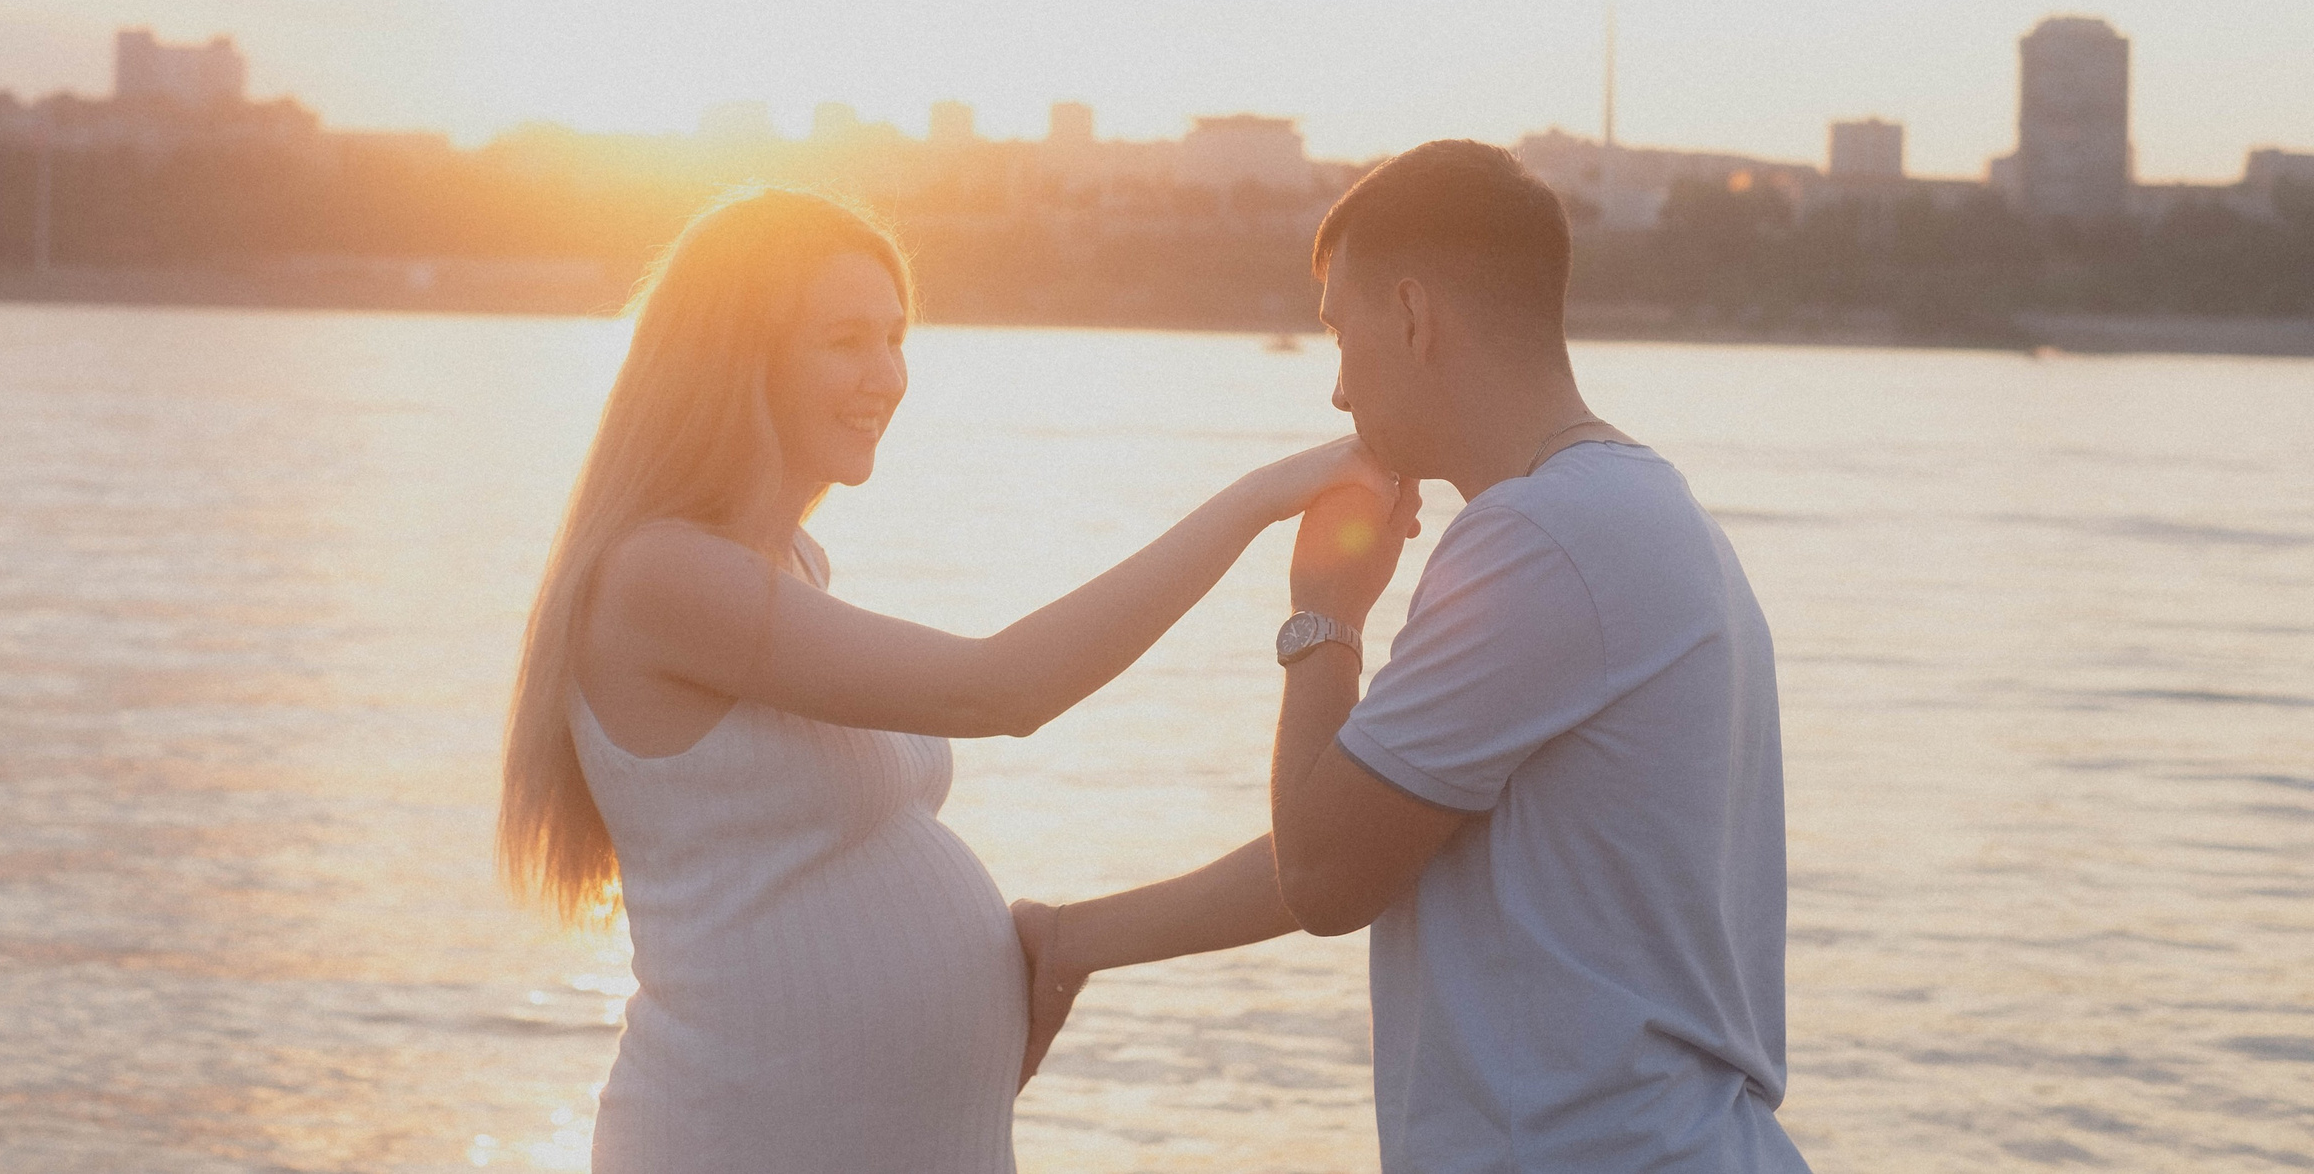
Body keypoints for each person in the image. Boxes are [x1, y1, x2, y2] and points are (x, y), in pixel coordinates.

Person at [495, 186, 1393, 1174]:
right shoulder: (662, 575)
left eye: (895, 335)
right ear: (733, 355)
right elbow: (996, 689)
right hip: (746, 1134)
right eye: (843, 338)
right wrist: (1262, 496)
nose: (885, 373)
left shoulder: (785, 566)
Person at [1015, 140, 1810, 1173]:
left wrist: (1322, 614)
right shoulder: (1636, 513)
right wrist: (1076, 940)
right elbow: (1370, 827)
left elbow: (1324, 873)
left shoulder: (1539, 536)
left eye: (1340, 334)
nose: (1338, 392)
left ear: (1412, 314)